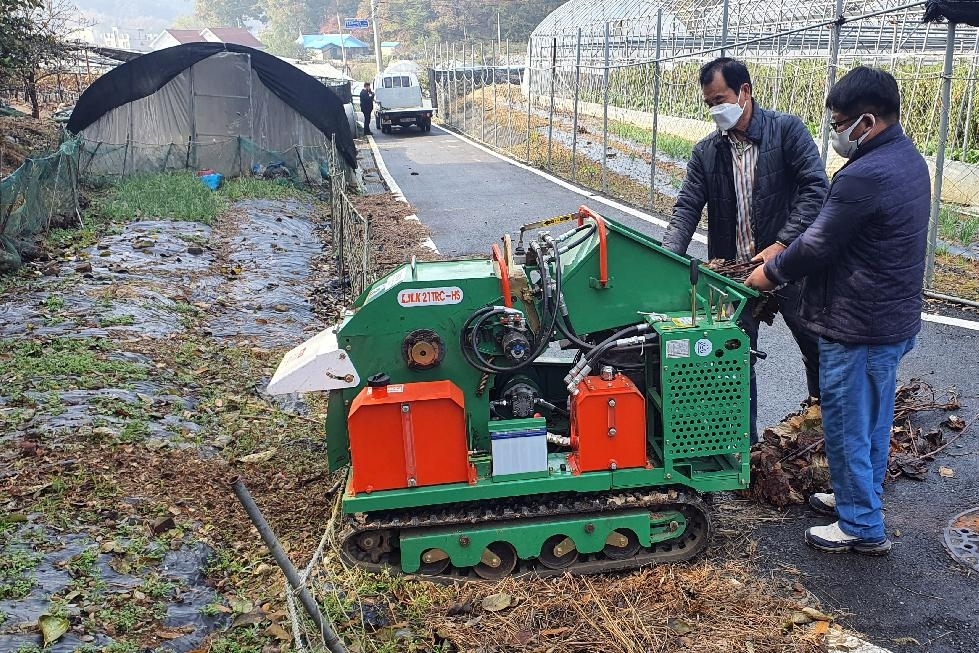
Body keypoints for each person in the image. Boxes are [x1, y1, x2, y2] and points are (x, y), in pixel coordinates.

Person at [745, 66, 930, 555]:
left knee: (849, 423)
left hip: (858, 322)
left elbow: (820, 244)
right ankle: (856, 499)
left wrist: (772, 270)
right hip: (889, 319)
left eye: (840, 122)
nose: (836, 132)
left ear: (867, 121)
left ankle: (861, 526)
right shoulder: (908, 160)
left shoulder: (865, 174)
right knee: (869, 418)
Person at [662, 57, 828, 443]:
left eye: (720, 98)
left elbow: (815, 187)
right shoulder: (707, 152)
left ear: (745, 92)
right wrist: (667, 257)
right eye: (709, 103)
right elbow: (687, 207)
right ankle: (744, 449)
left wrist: (783, 244)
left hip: (789, 267)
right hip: (736, 276)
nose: (715, 109)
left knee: (816, 346)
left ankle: (822, 431)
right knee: (733, 358)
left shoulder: (786, 132)